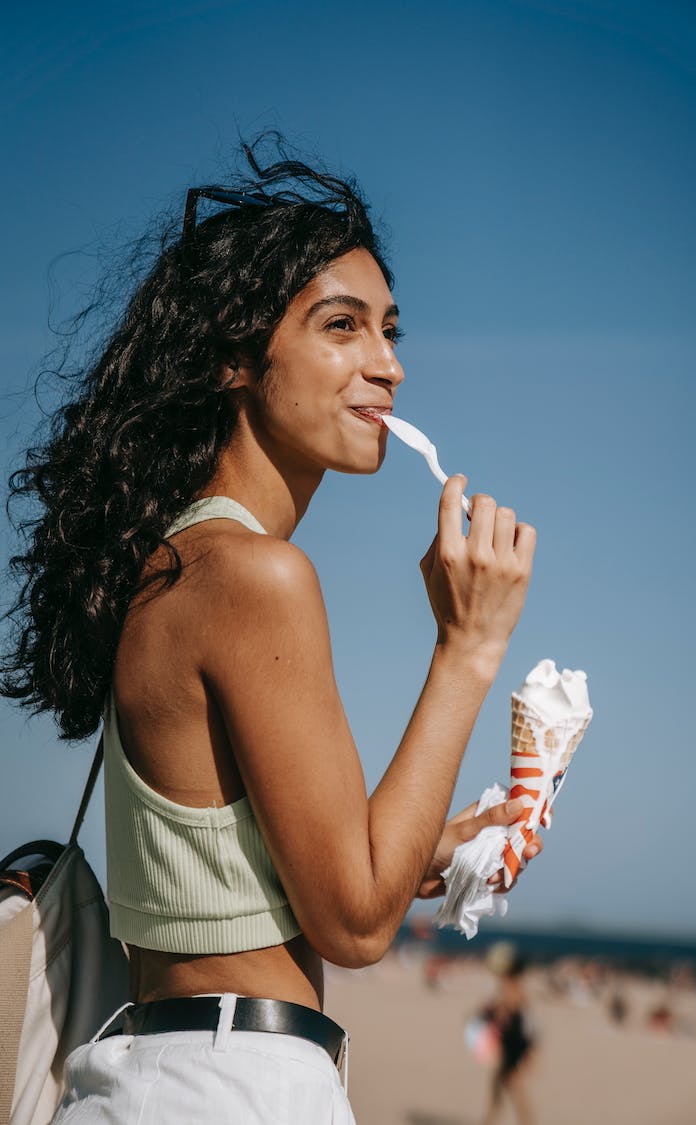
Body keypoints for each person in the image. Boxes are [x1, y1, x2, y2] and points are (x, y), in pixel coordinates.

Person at [2, 137, 540, 1123]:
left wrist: (418, 848)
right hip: (232, 1085)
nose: (390, 366)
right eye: (343, 327)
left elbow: (264, 878)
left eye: (390, 329)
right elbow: (354, 924)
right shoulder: (255, 574)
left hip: (155, 1078)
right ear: (235, 360)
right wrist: (470, 646)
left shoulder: (176, 564)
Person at [480, 943, 537, 1125]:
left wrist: (492, 1011)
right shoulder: (516, 985)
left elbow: (509, 1011)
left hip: (513, 1043)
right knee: (501, 1087)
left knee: (511, 1088)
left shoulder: (510, 986)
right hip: (514, 1042)